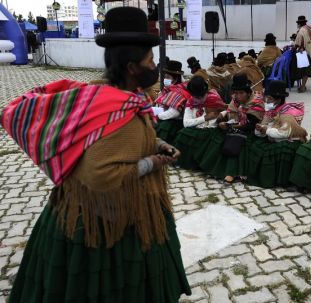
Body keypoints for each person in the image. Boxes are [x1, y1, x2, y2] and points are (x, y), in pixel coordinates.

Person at [3, 7, 191, 302]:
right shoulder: (119, 111)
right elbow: (101, 175)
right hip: (106, 225)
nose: (155, 66)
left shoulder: (110, 99)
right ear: (132, 68)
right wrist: (153, 162)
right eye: (150, 61)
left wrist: (155, 144)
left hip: (96, 209)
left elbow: (119, 140)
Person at [197, 73, 265, 183]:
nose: (238, 96)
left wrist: (230, 126)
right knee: (217, 134)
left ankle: (231, 173)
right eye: (236, 93)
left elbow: (250, 125)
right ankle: (213, 167)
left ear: (248, 93)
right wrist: (224, 121)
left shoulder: (256, 103)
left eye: (241, 93)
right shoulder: (235, 101)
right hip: (236, 126)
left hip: (251, 131)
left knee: (236, 139)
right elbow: (231, 112)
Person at [248, 80, 307, 188]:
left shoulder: (288, 113)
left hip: (290, 141)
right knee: (256, 144)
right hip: (275, 137)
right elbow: (262, 131)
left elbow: (284, 133)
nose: (266, 101)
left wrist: (266, 130)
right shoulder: (272, 111)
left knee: (273, 151)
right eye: (266, 98)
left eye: (269, 99)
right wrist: (261, 127)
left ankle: (279, 180)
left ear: (278, 99)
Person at [173, 76, 227, 170]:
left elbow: (226, 110)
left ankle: (203, 165)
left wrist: (220, 116)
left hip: (211, 129)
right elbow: (186, 123)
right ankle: (184, 162)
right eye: (195, 97)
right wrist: (205, 118)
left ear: (205, 92)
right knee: (182, 133)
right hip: (196, 127)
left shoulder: (214, 99)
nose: (198, 99)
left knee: (212, 138)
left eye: (201, 96)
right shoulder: (190, 102)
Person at [153, 60, 190, 143]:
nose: (165, 79)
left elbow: (174, 113)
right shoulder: (167, 90)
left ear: (175, 79)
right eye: (165, 77)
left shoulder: (179, 92)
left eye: (168, 77)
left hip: (173, 123)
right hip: (164, 118)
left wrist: (157, 116)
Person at [294, 16, 311, 93]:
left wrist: (296, 47)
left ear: (299, 23)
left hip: (304, 53)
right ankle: (303, 85)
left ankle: (302, 87)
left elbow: (298, 43)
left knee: (303, 70)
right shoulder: (309, 29)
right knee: (307, 70)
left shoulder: (301, 30)